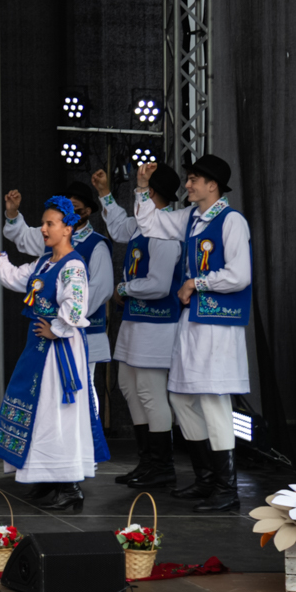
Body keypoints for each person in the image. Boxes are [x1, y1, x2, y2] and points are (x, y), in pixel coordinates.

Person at [133, 156, 249, 513]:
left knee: (213, 400)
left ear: (212, 185)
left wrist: (197, 283)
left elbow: (240, 274)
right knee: (182, 398)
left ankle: (227, 488)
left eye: (194, 179)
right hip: (193, 321)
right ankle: (206, 478)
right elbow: (151, 223)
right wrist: (141, 188)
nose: (188, 185)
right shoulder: (191, 218)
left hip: (217, 325)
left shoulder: (231, 221)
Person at [0, 198, 107, 512]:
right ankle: (47, 478)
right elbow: (11, 276)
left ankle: (69, 485)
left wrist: (57, 329)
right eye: (43, 223)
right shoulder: (45, 263)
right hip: (40, 347)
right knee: (40, 411)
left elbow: (75, 306)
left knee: (58, 413)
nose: (44, 229)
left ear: (67, 228)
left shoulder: (73, 265)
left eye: (50, 224)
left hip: (60, 350)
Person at [93, 165, 182, 490]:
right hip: (136, 321)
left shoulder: (165, 230)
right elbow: (119, 228)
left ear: (153, 193)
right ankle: (147, 462)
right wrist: (105, 194)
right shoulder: (144, 224)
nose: (138, 198)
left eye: (142, 192)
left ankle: (162, 465)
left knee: (149, 391)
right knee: (129, 387)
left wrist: (125, 288)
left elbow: (159, 284)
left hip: (157, 324)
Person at [3, 181, 114, 366]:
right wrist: (13, 213)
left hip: (83, 334)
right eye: (66, 208)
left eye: (75, 208)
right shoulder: (50, 236)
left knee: (79, 382)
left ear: (87, 212)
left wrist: (65, 321)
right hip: (51, 332)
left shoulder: (96, 245)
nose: (70, 213)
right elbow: (23, 237)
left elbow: (102, 289)